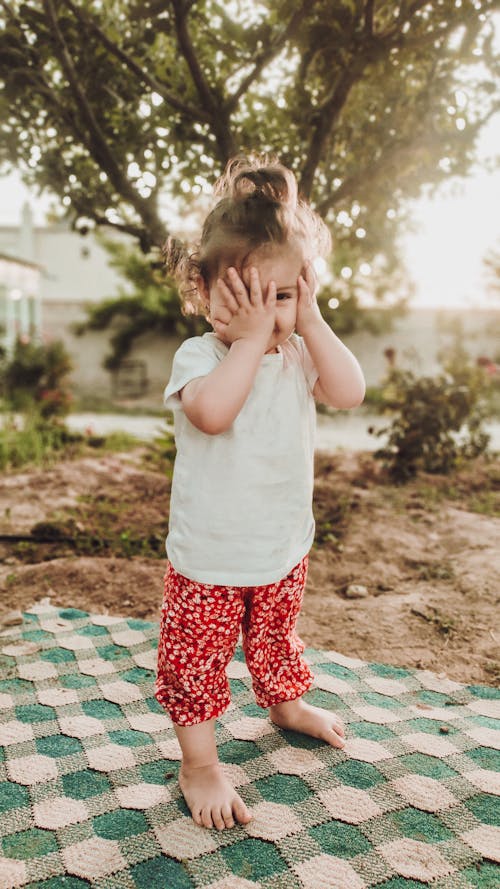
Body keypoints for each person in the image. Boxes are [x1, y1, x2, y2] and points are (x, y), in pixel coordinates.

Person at [155, 154, 365, 831]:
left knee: (275, 636)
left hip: (280, 546)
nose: (265, 317)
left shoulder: (302, 352)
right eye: (246, 296)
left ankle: (283, 702)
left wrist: (312, 320)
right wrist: (249, 339)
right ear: (202, 286)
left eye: (280, 297)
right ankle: (201, 764)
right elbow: (213, 413)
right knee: (198, 662)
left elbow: (350, 391)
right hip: (209, 560)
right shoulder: (201, 358)